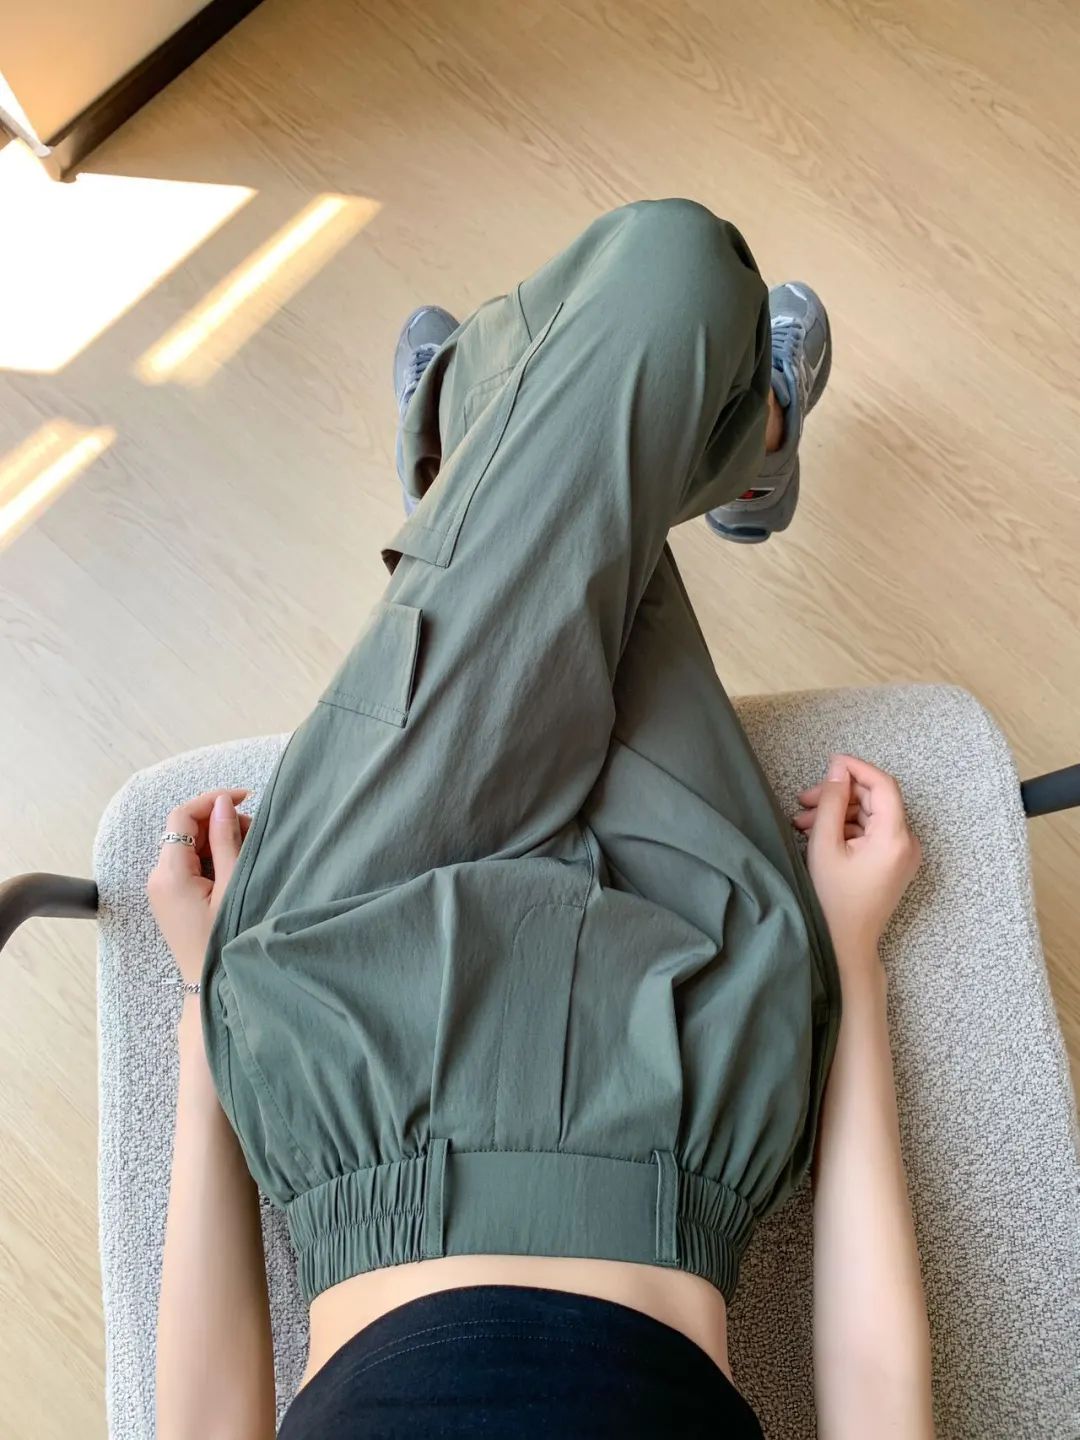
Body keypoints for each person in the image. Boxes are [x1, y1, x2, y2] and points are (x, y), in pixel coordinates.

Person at [148, 200, 933, 1439]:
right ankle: (519, 449)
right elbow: (879, 1400)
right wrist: (852, 956)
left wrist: (209, 996)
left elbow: (202, 1424)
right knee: (674, 271)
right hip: (688, 1067)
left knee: (626, 369)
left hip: (351, 1034)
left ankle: (520, 448)